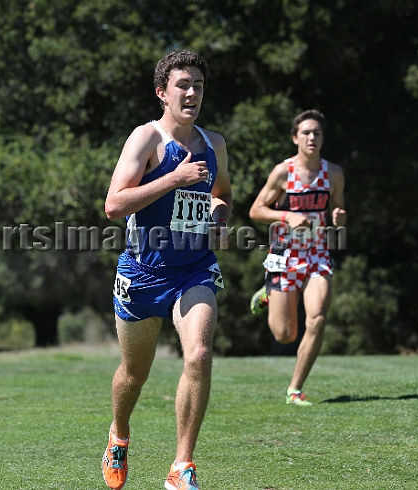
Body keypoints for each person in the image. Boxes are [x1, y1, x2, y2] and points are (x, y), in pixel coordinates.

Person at [102, 50, 231, 490]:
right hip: (142, 271)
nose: (192, 92)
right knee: (134, 373)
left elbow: (221, 194)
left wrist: (218, 218)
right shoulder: (147, 139)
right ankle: (119, 434)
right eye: (183, 85)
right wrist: (173, 179)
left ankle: (182, 467)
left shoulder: (215, 145)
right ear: (163, 93)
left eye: (198, 85)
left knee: (198, 354)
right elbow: (114, 204)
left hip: (194, 268)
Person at [248, 110, 346, 406]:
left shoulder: (334, 173)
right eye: (306, 132)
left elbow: (338, 214)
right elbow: (256, 211)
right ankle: (268, 292)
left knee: (317, 318)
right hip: (284, 255)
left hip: (317, 253)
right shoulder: (283, 172)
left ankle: (295, 389)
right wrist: (287, 215)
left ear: (322, 138)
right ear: (295, 138)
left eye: (317, 132)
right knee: (285, 335)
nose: (312, 137)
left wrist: (340, 218)